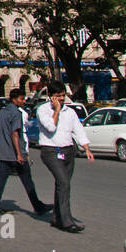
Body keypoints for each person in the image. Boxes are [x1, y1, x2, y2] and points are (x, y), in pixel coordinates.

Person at [35, 81, 94, 233]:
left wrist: (86, 148)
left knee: (62, 184)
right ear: (50, 96)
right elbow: (50, 127)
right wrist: (56, 111)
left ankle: (56, 217)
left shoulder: (71, 112)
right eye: (58, 96)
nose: (61, 99)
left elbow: (78, 130)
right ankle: (67, 221)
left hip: (68, 151)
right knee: (64, 183)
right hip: (50, 151)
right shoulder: (43, 110)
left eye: (63, 96)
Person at [0, 89, 51, 216]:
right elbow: (15, 134)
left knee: (0, 180)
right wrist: (20, 154)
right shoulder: (16, 113)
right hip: (15, 155)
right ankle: (38, 206)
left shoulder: (2, 112)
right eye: (21, 99)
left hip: (4, 153)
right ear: (14, 99)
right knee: (27, 180)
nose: (24, 101)